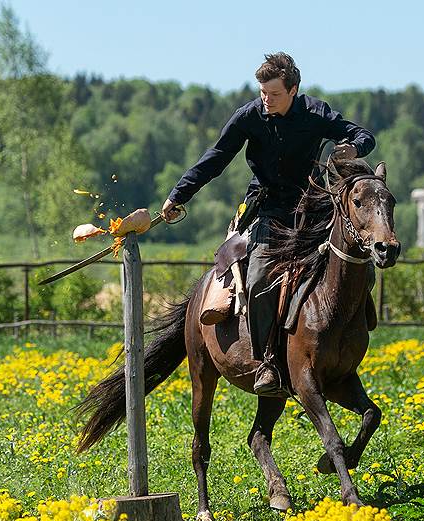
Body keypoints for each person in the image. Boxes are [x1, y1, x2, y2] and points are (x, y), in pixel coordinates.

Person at [161, 52, 376, 396]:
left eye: (274, 94)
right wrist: (179, 194)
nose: (266, 100)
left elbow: (363, 134)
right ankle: (267, 363)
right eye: (262, 93)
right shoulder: (249, 116)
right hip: (267, 211)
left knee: (359, 264)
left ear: (293, 90)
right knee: (260, 277)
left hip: (312, 210)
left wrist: (351, 147)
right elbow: (215, 158)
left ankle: (351, 333)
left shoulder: (316, 113)